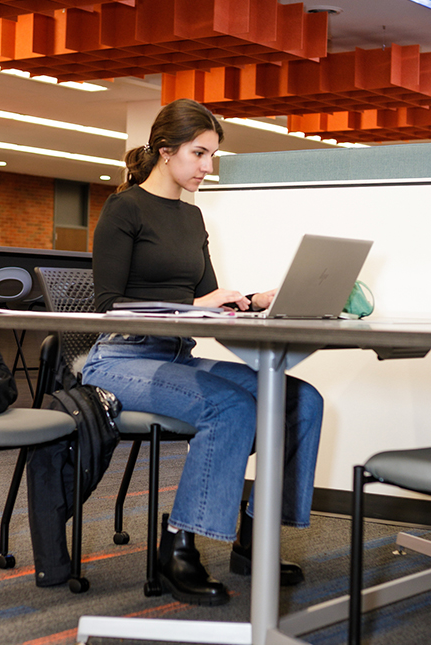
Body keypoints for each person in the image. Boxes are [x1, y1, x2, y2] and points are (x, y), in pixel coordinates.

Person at [82, 98, 324, 606]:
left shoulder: (191, 219)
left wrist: (254, 300)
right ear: (165, 152)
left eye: (213, 157)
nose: (208, 168)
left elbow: (206, 302)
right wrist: (196, 302)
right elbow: (107, 305)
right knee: (231, 405)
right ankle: (178, 550)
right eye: (200, 155)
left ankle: (255, 540)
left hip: (176, 357)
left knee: (300, 398)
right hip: (121, 362)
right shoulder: (124, 209)